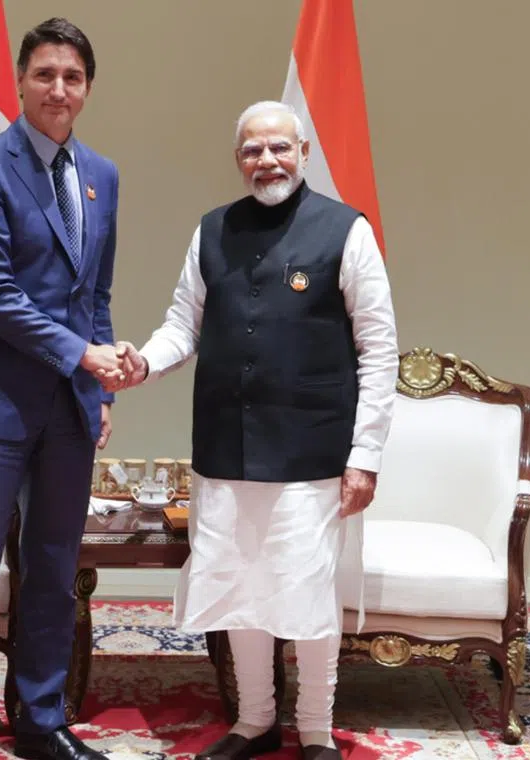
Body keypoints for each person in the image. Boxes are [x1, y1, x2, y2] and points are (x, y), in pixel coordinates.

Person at [116, 100, 399, 760]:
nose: (266, 160)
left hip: (314, 451)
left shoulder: (346, 231)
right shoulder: (212, 231)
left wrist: (366, 453)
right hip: (226, 445)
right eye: (251, 150)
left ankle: (318, 730)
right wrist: (142, 364)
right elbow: (181, 325)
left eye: (279, 147)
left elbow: (380, 347)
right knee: (241, 589)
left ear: (303, 152)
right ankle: (254, 720)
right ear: (237, 159)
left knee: (306, 594)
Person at [0, 17, 122, 760]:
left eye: (73, 77)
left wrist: (98, 388)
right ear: (20, 80)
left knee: (52, 574)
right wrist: (86, 356)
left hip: (70, 410)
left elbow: (94, 295)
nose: (59, 89)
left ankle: (41, 723)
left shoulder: (103, 176)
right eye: (46, 74)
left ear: (88, 89)